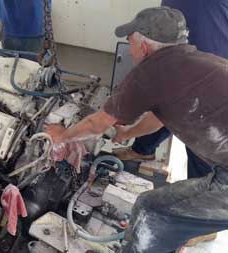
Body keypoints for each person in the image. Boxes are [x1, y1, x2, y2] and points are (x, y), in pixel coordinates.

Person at [46, 7, 228, 253]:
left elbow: (96, 124)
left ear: (144, 46)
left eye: (130, 43)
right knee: (173, 214)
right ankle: (170, 241)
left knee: (150, 210)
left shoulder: (150, 73)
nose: (130, 50)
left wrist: (61, 136)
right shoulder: (195, 61)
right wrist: (126, 134)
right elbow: (160, 117)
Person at [113, 0, 228, 179]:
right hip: (176, 58)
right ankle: (143, 149)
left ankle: (199, 195)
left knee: (201, 143)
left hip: (206, 69)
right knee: (164, 106)